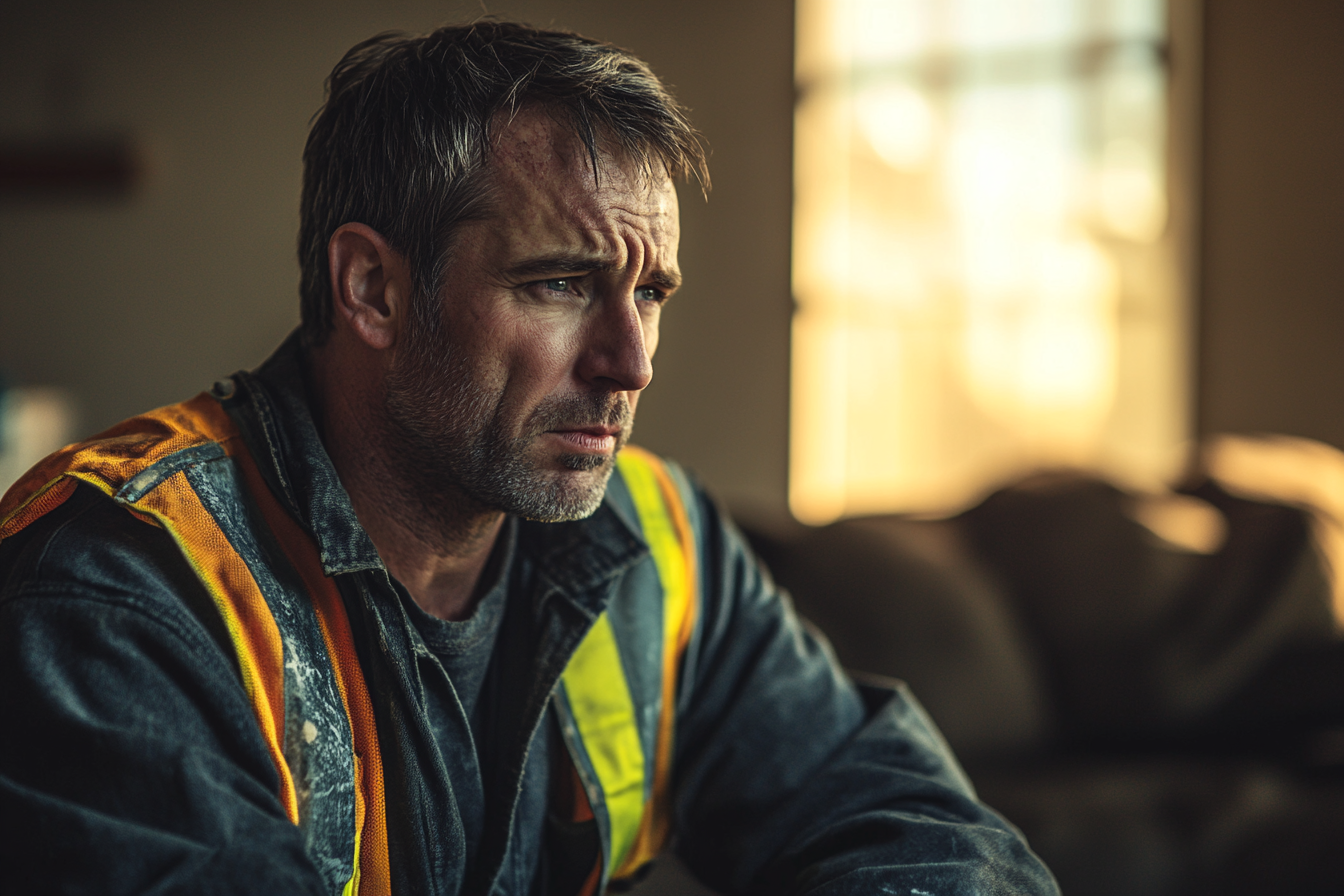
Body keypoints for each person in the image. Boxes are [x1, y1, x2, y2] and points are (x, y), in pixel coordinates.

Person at [0, 21, 1057, 896]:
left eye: (650, 293)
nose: (631, 361)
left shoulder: (661, 543)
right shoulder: (114, 589)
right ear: (372, 287)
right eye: (558, 283)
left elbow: (915, 827)